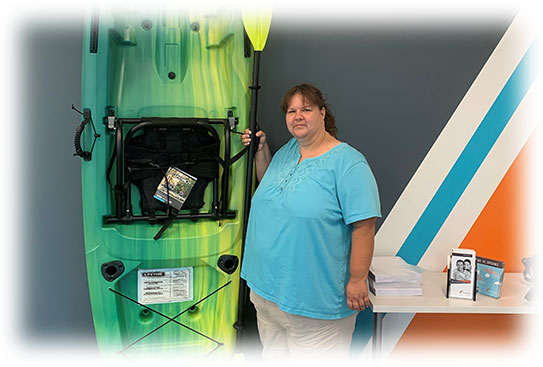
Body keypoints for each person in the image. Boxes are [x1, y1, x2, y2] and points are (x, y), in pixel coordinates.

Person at [239, 83, 381, 361]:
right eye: (291, 111)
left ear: (322, 113)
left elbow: (364, 226)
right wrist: (261, 150)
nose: (298, 116)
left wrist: (357, 279)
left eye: (306, 109)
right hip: (267, 294)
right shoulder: (290, 150)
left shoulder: (349, 164)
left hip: (313, 304)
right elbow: (270, 186)